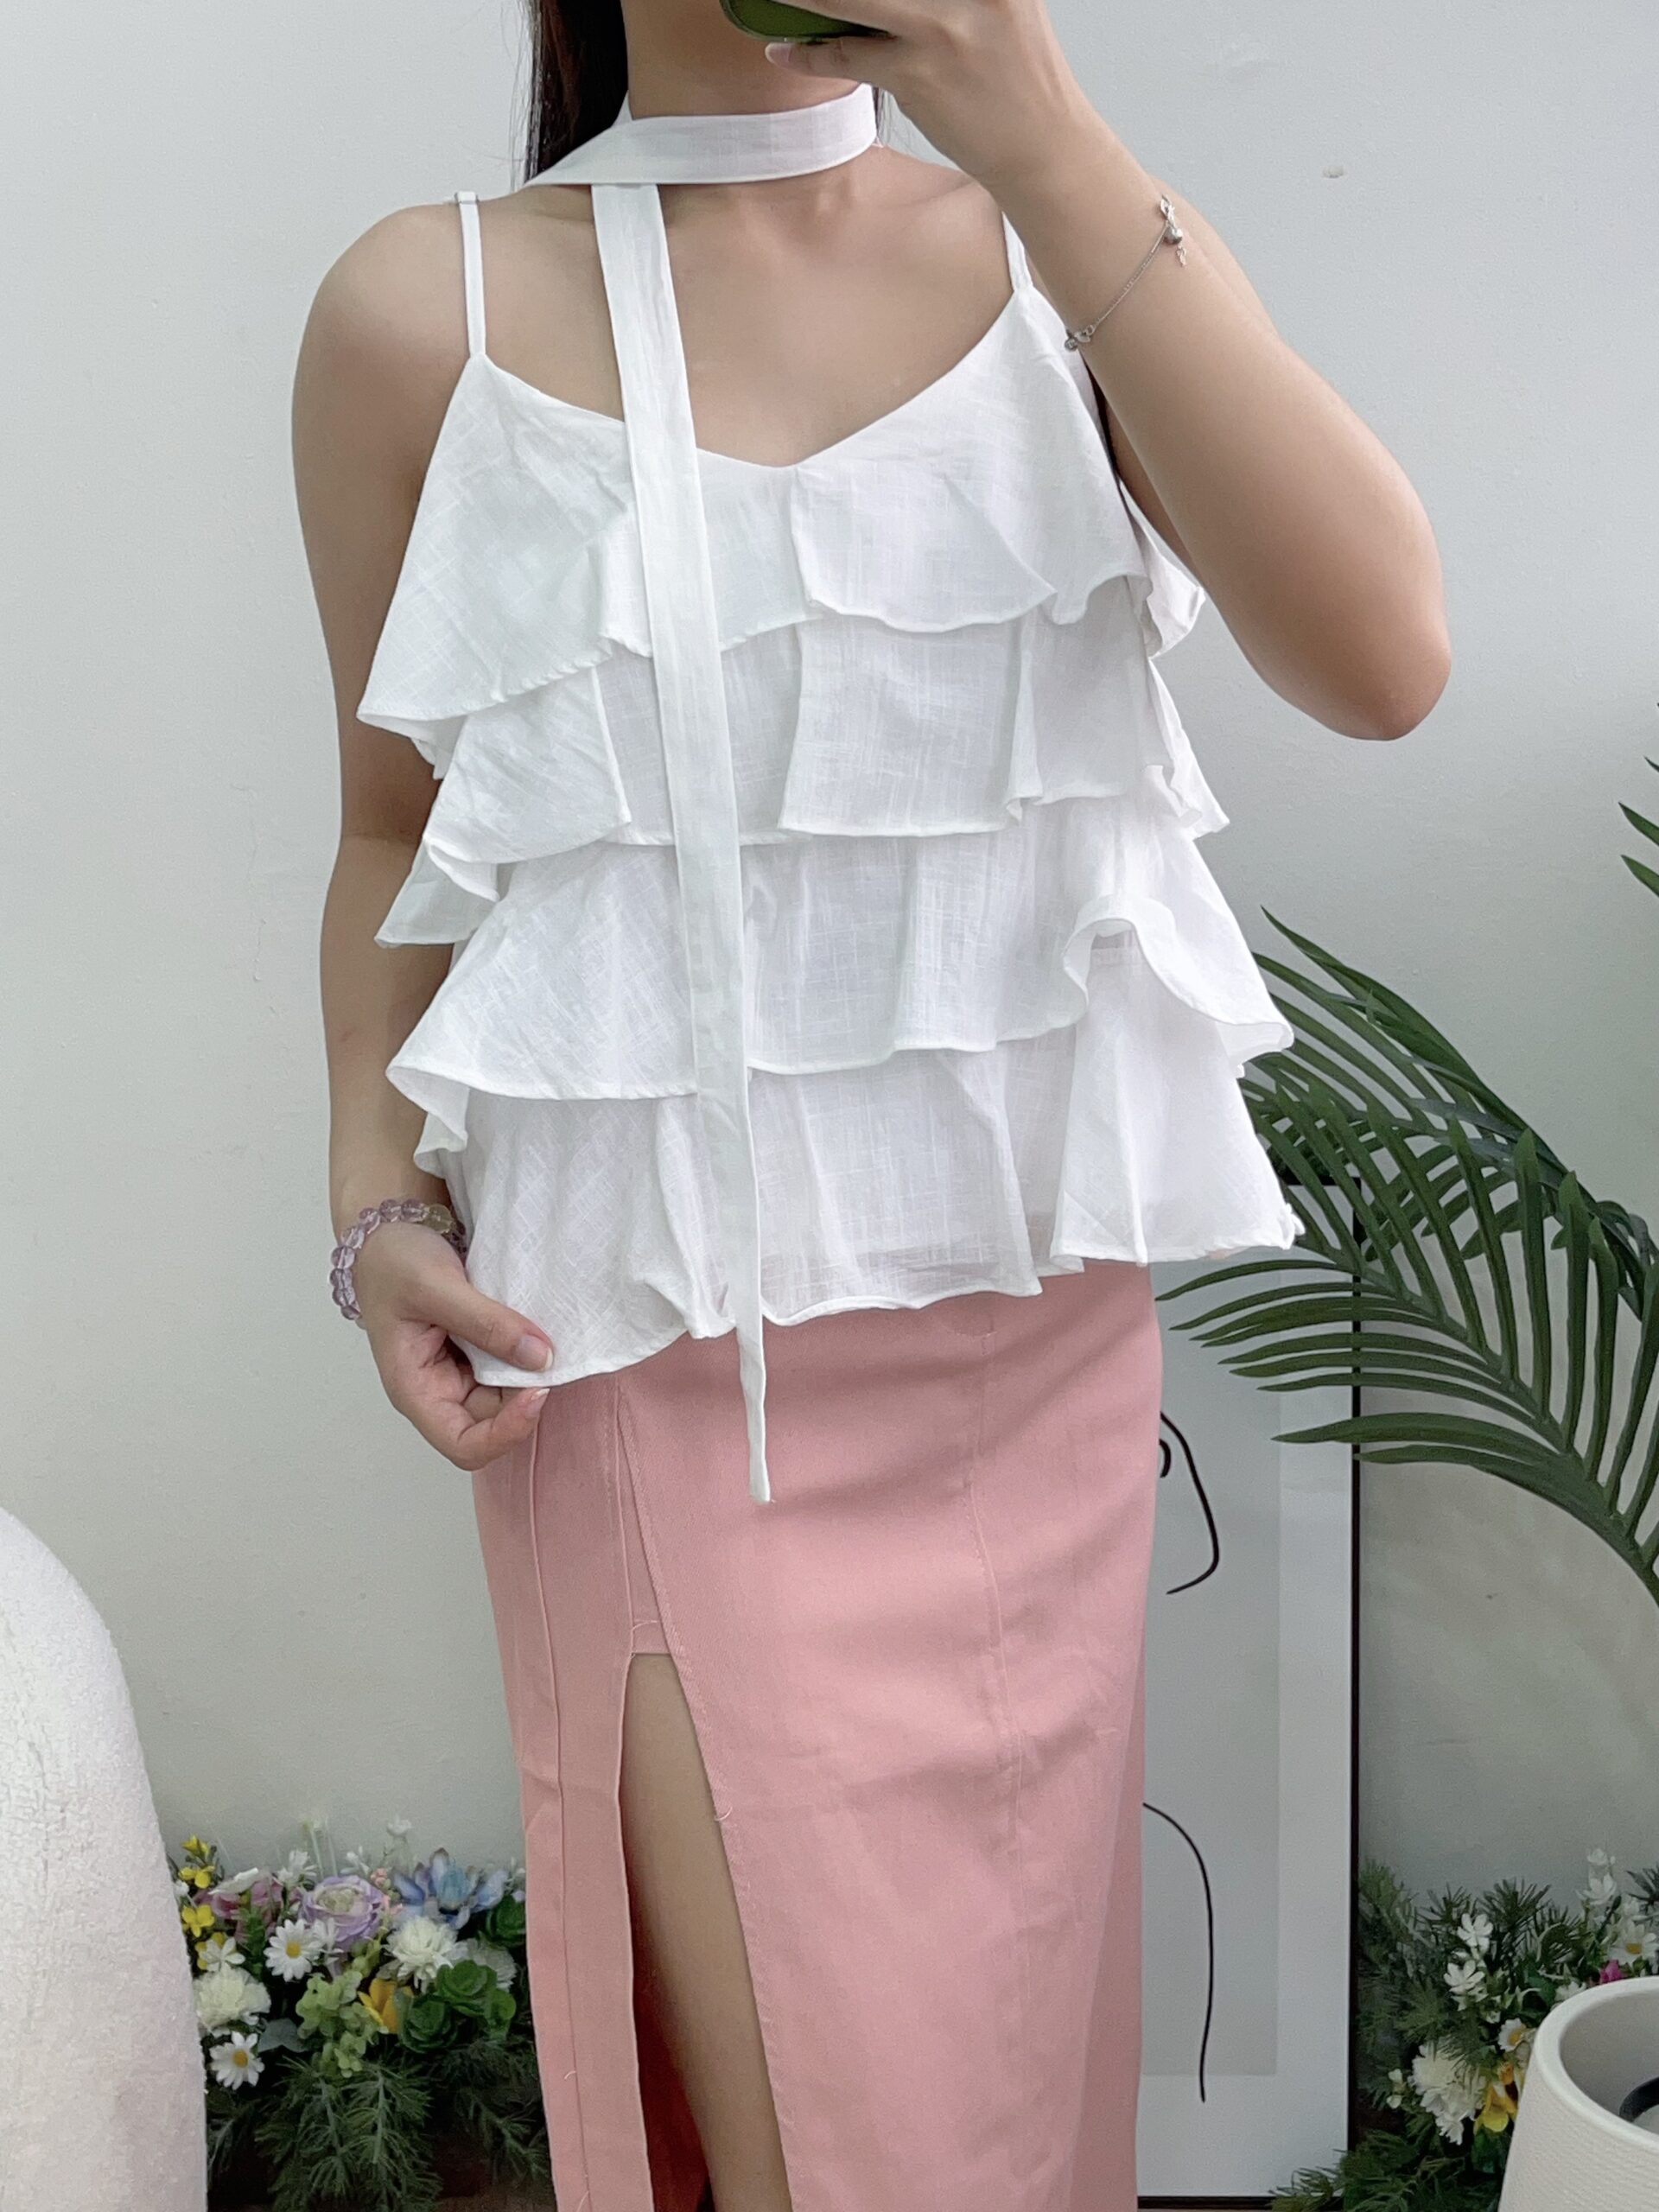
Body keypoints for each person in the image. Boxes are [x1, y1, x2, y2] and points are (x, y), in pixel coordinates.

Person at [293, 3, 1448, 2206]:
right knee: (823, 2144)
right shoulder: (424, 314)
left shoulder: (1066, 247)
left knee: (1013, 2106)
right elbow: (387, 820)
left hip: (1038, 1380)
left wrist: (1034, 121)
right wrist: (377, 1189)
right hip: (649, 1381)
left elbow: (1384, 656)